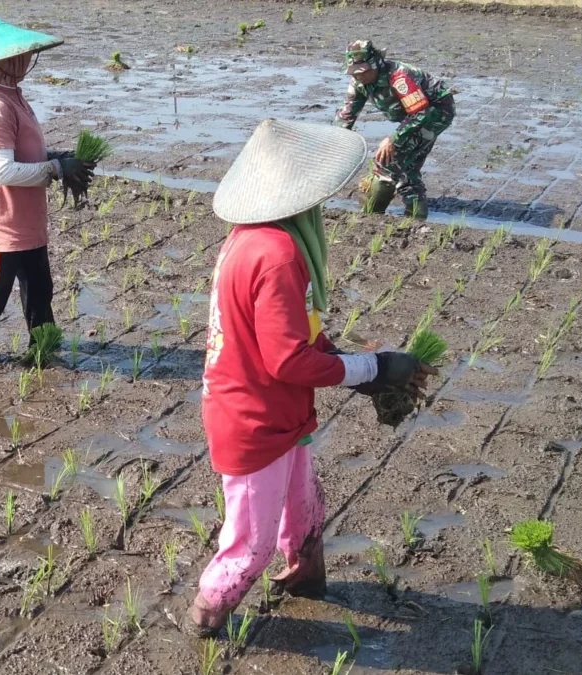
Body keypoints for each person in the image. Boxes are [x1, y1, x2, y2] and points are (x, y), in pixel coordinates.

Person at [185, 119, 435, 636]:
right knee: (248, 546)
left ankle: (305, 579)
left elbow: (295, 340)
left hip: (279, 410)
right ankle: (203, 618)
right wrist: (374, 367)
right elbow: (288, 361)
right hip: (254, 418)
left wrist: (362, 372)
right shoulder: (276, 256)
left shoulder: (252, 239)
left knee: (303, 505)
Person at [0, 18, 94, 362]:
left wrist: (61, 157)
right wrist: (56, 169)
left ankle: (43, 350)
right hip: (2, 223)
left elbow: (24, 153)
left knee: (41, 290)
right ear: (2, 61)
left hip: (26, 222)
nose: (27, 61)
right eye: (21, 56)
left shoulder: (12, 97)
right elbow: (2, 170)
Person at [334, 40, 455, 219]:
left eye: (363, 72)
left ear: (376, 65)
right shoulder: (359, 82)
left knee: (390, 160)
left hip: (435, 112)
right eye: (354, 72)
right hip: (413, 115)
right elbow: (347, 115)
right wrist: (333, 144)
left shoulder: (399, 77)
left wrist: (393, 139)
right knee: (407, 165)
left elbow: (421, 113)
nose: (358, 76)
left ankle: (372, 215)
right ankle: (415, 216)